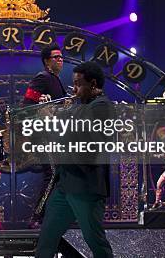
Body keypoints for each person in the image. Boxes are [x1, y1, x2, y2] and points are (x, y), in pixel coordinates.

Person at [36, 61, 113, 258]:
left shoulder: (101, 107)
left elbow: (79, 139)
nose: (75, 90)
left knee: (95, 241)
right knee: (46, 239)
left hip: (85, 186)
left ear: (93, 84)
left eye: (78, 84)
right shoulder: (82, 106)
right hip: (66, 184)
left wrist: (52, 121)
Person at [22, 45, 66, 229]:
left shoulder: (56, 80)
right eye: (56, 57)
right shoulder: (43, 78)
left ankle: (49, 216)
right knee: (53, 174)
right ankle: (37, 217)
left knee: (59, 175)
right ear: (47, 61)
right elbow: (26, 105)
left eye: (61, 57)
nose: (60, 60)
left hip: (54, 135)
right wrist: (41, 107)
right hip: (43, 135)